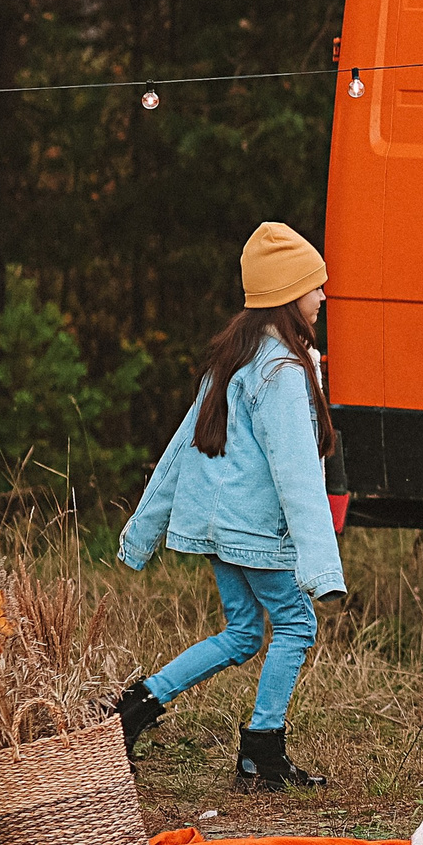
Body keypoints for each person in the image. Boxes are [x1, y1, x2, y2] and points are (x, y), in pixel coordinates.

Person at [113, 222, 345, 793]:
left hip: (220, 527)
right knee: (295, 623)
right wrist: (323, 570)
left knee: (243, 633)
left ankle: (135, 707)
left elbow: (176, 452)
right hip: (255, 532)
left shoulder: (234, 360)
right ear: (291, 294)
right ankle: (262, 749)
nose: (323, 296)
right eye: (316, 286)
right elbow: (297, 477)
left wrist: (143, 531)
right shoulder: (282, 373)